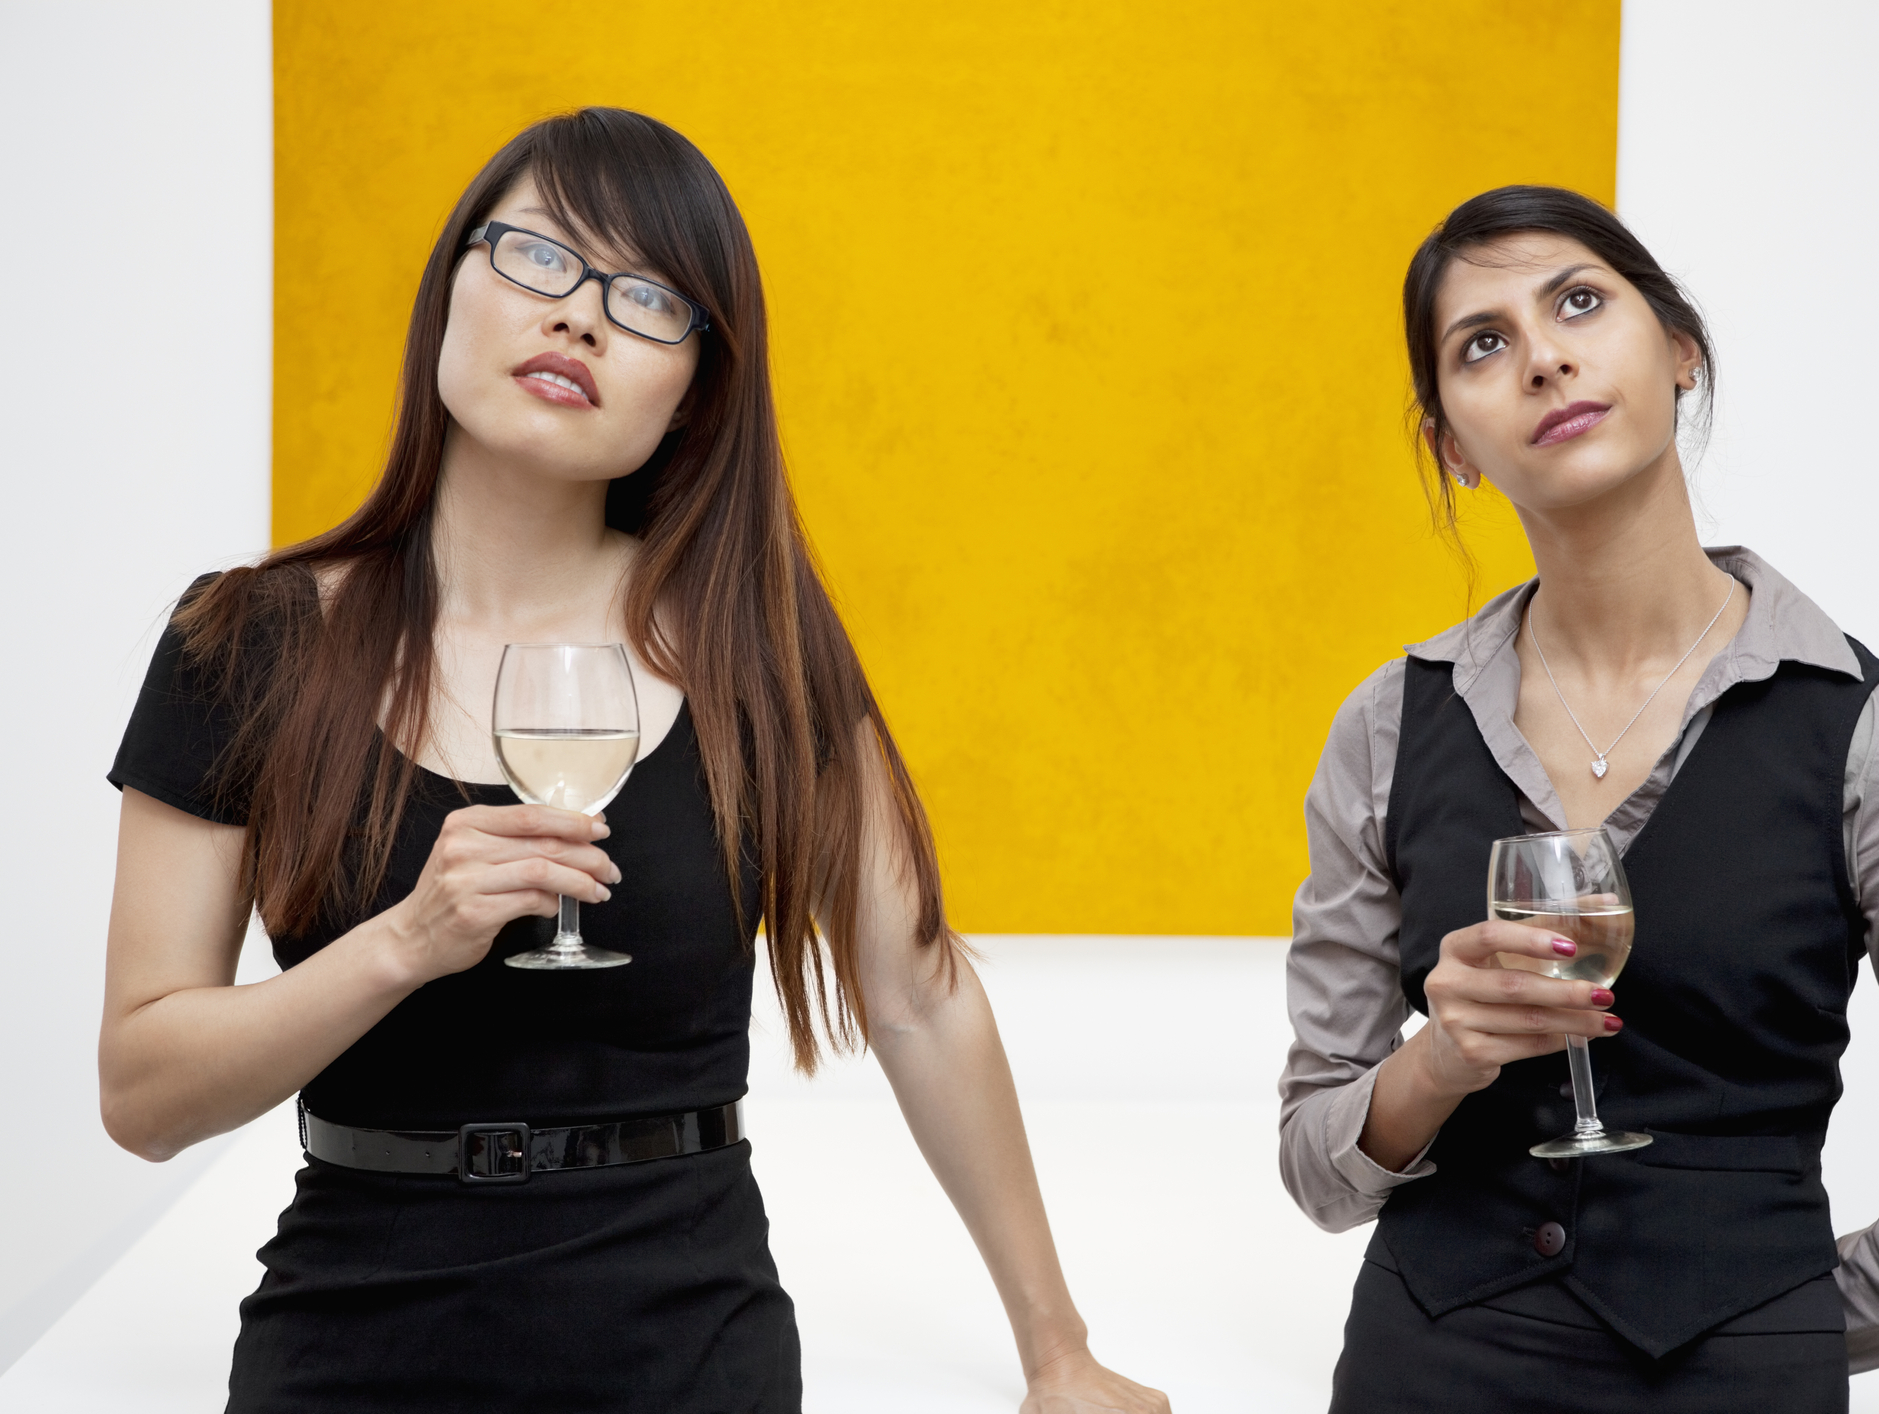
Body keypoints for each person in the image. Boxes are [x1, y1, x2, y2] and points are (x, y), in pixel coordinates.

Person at [100, 106, 1167, 1414]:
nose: (581, 317)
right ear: (452, 288)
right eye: (539, 257)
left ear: (696, 390)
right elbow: (142, 1093)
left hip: (687, 1347)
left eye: (647, 296)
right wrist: (406, 941)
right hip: (349, 1339)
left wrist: (1057, 1352)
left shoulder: (757, 652)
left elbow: (921, 994)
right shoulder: (242, 639)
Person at [1278, 185, 1879, 1411]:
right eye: (1485, 343)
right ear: (1453, 447)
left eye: (1580, 302)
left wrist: (1760, 1329)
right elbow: (1317, 1168)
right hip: (1422, 1376)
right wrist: (1442, 1058)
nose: (1545, 358)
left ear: (1679, 349)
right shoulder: (1386, 726)